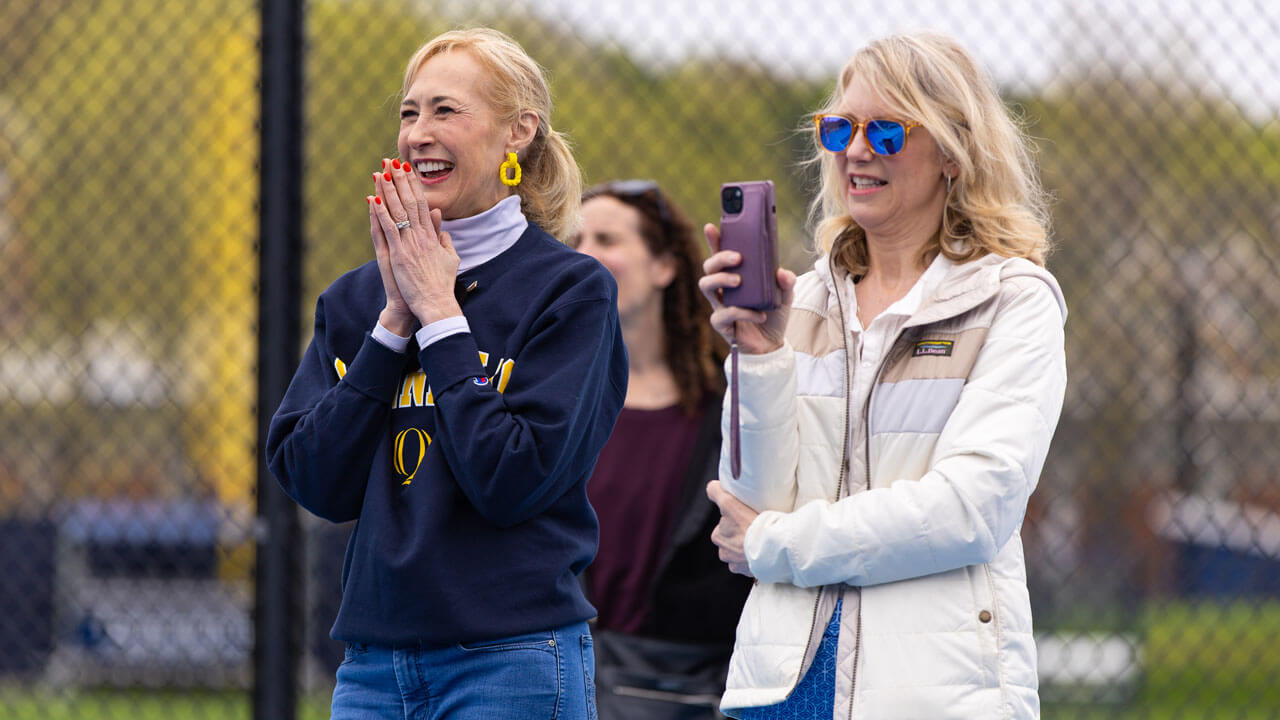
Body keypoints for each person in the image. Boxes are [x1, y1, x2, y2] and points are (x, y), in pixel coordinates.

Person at [698, 32, 1068, 719]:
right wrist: (761, 353)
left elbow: (969, 510)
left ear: (954, 154)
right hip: (777, 686)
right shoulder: (800, 299)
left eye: (888, 131)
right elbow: (754, 497)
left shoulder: (1013, 299)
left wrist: (778, 544)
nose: (856, 150)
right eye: (839, 127)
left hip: (932, 694)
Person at [266, 28, 626, 720]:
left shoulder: (570, 291)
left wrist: (440, 311)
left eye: (446, 111)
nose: (419, 134)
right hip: (371, 666)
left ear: (518, 132)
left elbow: (509, 480)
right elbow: (313, 480)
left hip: (511, 658)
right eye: (409, 113)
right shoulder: (354, 301)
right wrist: (394, 320)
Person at [571, 181, 752, 719]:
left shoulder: (731, 410)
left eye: (607, 238)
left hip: (684, 690)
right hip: (562, 675)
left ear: (665, 266)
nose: (586, 254)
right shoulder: (547, 403)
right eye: (574, 239)